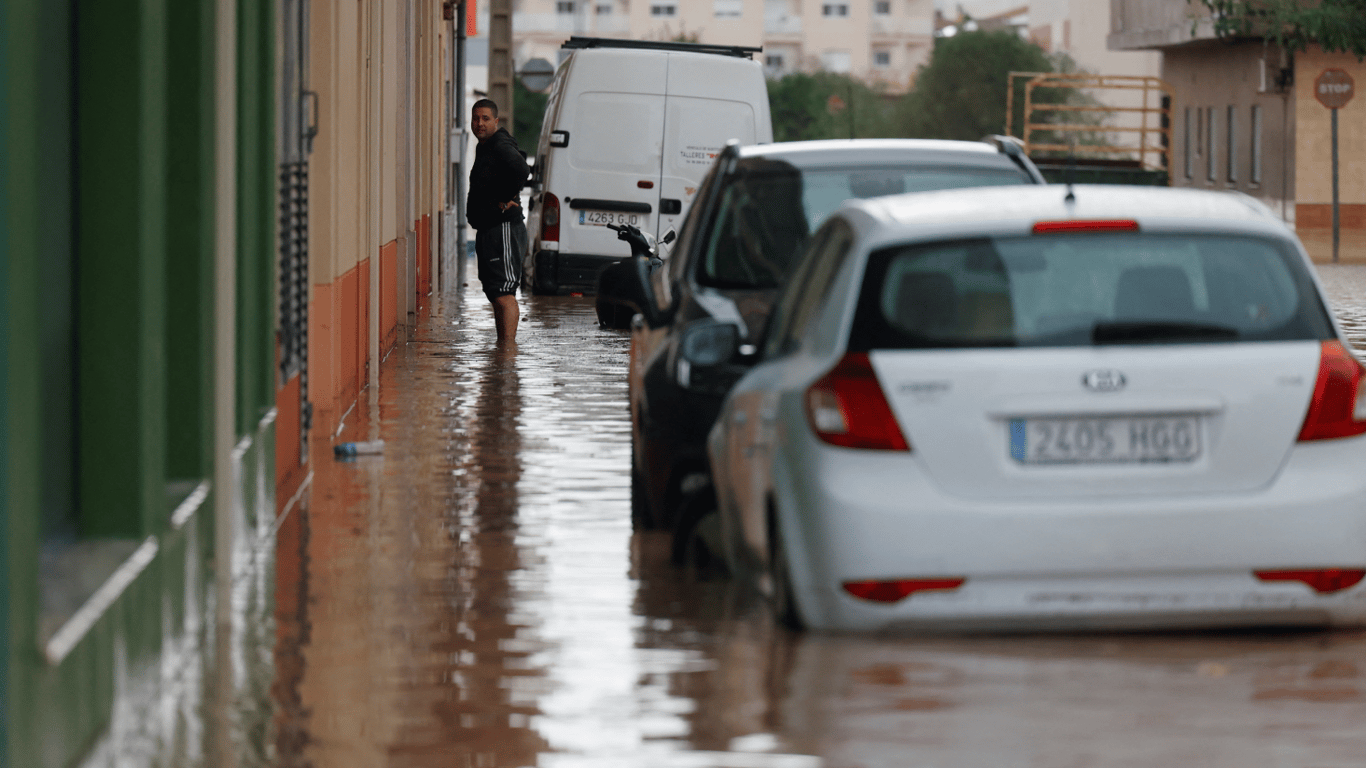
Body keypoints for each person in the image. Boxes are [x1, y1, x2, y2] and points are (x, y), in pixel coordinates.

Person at [468, 98, 528, 344]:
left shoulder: (499, 143)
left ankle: (509, 351)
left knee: (504, 293)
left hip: (503, 227)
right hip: (489, 228)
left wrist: (504, 198)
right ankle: (502, 348)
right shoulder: (486, 146)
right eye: (475, 118)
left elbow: (522, 170)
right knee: (496, 292)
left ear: (496, 121)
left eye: (485, 118)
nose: (479, 123)